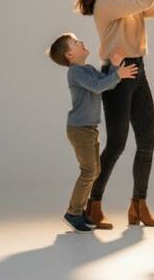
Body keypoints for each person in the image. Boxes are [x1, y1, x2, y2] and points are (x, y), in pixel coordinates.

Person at [75, 0, 154, 228]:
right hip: (117, 73)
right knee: (117, 142)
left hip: (137, 69)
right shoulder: (105, 4)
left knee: (147, 140)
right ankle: (93, 205)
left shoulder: (128, 1)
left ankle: (138, 206)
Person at [47, 33, 138, 233]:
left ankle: (78, 212)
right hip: (79, 130)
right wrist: (118, 74)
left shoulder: (86, 69)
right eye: (76, 42)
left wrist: (115, 67)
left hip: (89, 129)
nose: (81, 42)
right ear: (70, 55)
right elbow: (98, 86)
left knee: (94, 171)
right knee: (89, 171)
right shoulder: (75, 73)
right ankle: (73, 213)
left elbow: (107, 83)